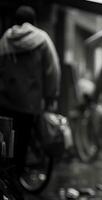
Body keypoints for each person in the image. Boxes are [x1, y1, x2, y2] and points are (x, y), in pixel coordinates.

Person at [0, 5, 60, 181]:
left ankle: (8, 178)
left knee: (7, 141)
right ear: (33, 21)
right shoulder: (41, 39)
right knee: (23, 141)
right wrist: (51, 96)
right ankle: (17, 177)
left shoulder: (5, 39)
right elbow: (52, 70)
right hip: (31, 103)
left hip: (6, 102)